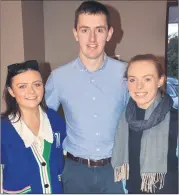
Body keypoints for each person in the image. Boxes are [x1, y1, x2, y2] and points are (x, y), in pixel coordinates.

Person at [45, 0, 128, 193]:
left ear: (109, 33)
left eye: (99, 30)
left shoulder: (126, 73)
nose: (92, 38)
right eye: (84, 30)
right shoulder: (58, 78)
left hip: (115, 170)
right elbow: (40, 120)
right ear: (75, 33)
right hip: (74, 171)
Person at [112, 54, 178, 194]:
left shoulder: (175, 119)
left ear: (160, 80)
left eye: (147, 79)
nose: (139, 86)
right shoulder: (124, 118)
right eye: (132, 79)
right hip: (132, 190)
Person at [1, 60, 66, 194]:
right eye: (22, 86)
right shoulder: (3, 129)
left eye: (37, 84)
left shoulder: (55, 120)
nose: (31, 91)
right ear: (11, 91)